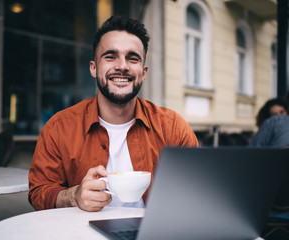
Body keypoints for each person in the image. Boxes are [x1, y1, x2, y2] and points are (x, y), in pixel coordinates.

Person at [28, 16, 198, 212]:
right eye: (110, 56)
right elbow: (38, 192)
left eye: (132, 58)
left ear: (143, 72)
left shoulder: (173, 127)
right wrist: (73, 196)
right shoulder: (59, 127)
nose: (122, 66)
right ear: (93, 68)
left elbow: (197, 190)